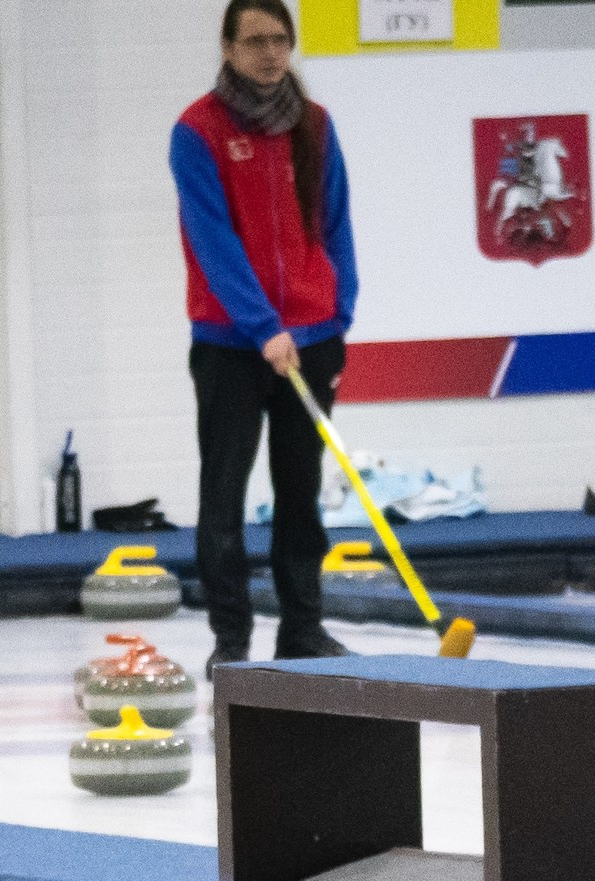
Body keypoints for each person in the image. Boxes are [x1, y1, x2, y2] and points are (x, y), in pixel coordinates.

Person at [173, 0, 359, 665]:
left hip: (311, 338)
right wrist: (261, 326)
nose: (270, 53)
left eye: (280, 40)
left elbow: (334, 222)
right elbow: (212, 240)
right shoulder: (196, 131)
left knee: (300, 490)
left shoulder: (314, 125)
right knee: (223, 493)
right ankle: (231, 639)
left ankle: (303, 628)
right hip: (230, 344)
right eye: (255, 41)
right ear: (227, 48)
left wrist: (338, 312)